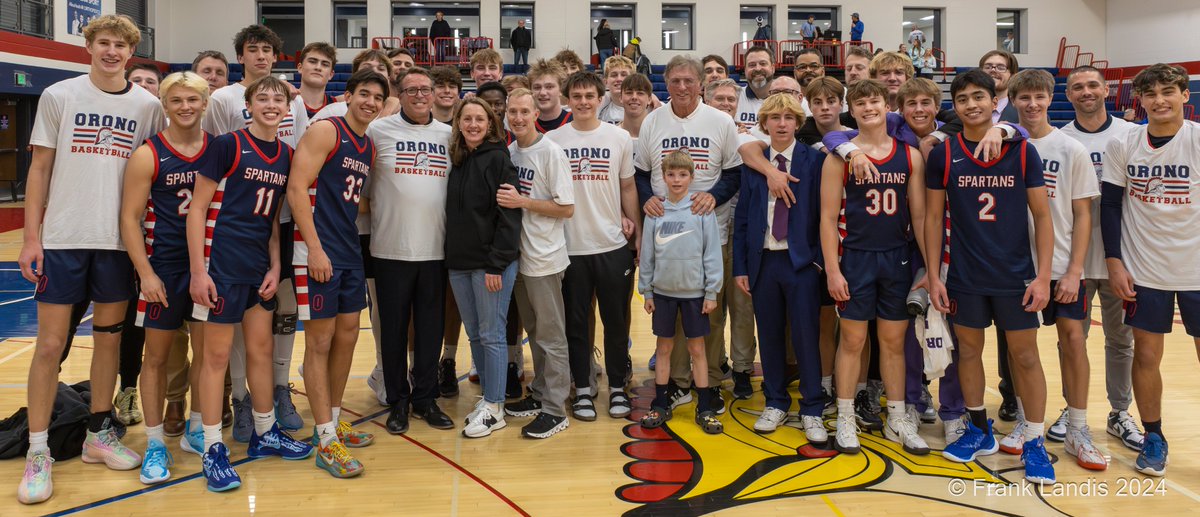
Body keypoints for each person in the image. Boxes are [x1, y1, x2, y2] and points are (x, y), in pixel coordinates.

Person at [16, 14, 164, 505]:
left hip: (119, 242)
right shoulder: (60, 96)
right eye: (104, 42)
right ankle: (39, 452)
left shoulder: (148, 106)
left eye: (121, 45)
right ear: (89, 46)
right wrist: (30, 238)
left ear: (130, 52)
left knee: (108, 341)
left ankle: (99, 435)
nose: (112, 51)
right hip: (63, 238)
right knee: (49, 345)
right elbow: (39, 169)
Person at [926, 70, 1056, 485]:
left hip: (1016, 275)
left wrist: (1043, 277)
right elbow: (931, 218)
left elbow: (1042, 216)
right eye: (961, 99)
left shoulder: (1021, 151)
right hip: (964, 274)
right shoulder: (944, 154)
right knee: (968, 352)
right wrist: (934, 275)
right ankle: (979, 430)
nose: (970, 105)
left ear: (993, 100)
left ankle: (1034, 440)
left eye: (978, 97)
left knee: (1025, 357)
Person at [188, 76, 314, 493]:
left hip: (258, 267)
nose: (272, 105)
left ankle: (265, 432)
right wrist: (198, 271)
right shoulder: (227, 145)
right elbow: (198, 210)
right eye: (263, 98)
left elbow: (275, 220)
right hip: (220, 266)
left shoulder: (287, 154)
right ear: (249, 105)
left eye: (279, 100)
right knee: (216, 357)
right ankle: (212, 448)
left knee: (260, 351)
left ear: (287, 109)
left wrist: (275, 267)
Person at [201, 24, 308, 444]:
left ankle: (276, 398)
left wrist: (278, 256)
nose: (261, 55)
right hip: (225, 238)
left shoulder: (290, 120)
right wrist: (199, 265)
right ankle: (238, 401)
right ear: (241, 56)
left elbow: (290, 179)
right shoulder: (225, 107)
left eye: (268, 49)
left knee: (275, 318)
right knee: (225, 341)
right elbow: (206, 189)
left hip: (271, 230)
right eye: (253, 49)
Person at [997, 69, 1106, 471]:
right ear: (1013, 100)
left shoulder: (1070, 148)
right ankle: (1029, 423)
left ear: (1049, 98)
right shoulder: (1005, 147)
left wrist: (1076, 269)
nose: (1031, 104)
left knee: (1073, 340)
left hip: (1061, 266)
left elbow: (1083, 214)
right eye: (1023, 97)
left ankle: (1078, 426)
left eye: (1038, 97)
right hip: (1016, 266)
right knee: (1019, 350)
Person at [288, 71, 388, 478]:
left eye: (377, 97)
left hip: (347, 250)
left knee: (347, 335)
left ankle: (330, 423)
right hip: (317, 249)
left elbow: (352, 200)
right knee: (321, 341)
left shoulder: (368, 146)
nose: (370, 101)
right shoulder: (326, 131)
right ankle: (325, 439)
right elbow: (297, 188)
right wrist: (313, 248)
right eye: (363, 93)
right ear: (347, 96)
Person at [1101, 63, 1199, 477]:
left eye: (1168, 92)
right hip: (1144, 269)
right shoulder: (1125, 144)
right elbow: (1110, 205)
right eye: (1151, 94)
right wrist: (1115, 262)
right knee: (1146, 355)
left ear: (1184, 97)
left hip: (1196, 270)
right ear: (1139, 101)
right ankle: (1154, 435)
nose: (1159, 100)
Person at [635, 56, 742, 417]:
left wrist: (715, 195)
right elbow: (638, 173)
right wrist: (648, 198)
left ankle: (708, 382)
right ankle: (677, 384)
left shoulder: (720, 121)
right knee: (670, 321)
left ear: (701, 84)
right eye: (675, 80)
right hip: (664, 232)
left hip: (708, 230)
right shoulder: (653, 121)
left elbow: (733, 173)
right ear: (667, 82)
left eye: (688, 80)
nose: (682, 87)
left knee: (705, 314)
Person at [119, 71, 211, 485]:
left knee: (208, 356)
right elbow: (129, 218)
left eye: (193, 100)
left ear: (205, 104)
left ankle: (195, 427)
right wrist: (145, 273)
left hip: (209, 268)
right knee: (154, 358)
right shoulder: (148, 154)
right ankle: (155, 442)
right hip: (164, 268)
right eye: (177, 101)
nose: (185, 107)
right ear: (165, 105)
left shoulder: (220, 149)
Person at [1058, 65, 1143, 452]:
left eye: (1093, 85)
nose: (1086, 92)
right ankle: (1071, 408)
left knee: (1121, 339)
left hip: (1120, 257)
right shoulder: (1061, 139)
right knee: (1071, 341)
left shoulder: (1131, 135)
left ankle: (1119, 412)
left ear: (1106, 90)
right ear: (1069, 94)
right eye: (1078, 87)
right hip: (1072, 257)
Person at [366, 67, 456, 434]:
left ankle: (425, 398)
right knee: (393, 331)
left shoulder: (449, 135)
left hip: (435, 249)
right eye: (411, 90)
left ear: (435, 94)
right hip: (390, 248)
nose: (420, 95)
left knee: (431, 330)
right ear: (399, 95)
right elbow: (364, 188)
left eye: (426, 89)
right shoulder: (379, 130)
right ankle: (397, 401)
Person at [732, 93, 827, 440]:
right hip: (764, 261)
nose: (782, 123)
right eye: (775, 118)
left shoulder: (813, 162)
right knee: (769, 335)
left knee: (805, 337)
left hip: (800, 263)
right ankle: (775, 401)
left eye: (789, 117)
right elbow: (743, 219)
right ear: (765, 124)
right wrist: (740, 267)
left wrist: (817, 261)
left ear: (798, 123)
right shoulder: (755, 165)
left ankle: (812, 407)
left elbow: (822, 214)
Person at [546, 72, 639, 419]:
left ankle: (617, 387)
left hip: (612, 244)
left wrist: (637, 233)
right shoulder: (553, 139)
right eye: (577, 96)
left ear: (601, 98)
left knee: (616, 321)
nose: (583, 101)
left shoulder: (619, 137)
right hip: (569, 247)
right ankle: (582, 388)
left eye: (589, 95)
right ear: (567, 100)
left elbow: (627, 187)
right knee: (576, 322)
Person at [499, 88, 576, 439]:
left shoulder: (551, 152)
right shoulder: (511, 152)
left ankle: (555, 409)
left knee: (552, 336)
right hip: (519, 259)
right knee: (535, 334)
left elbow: (566, 208)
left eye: (523, 112)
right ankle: (541, 394)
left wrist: (523, 203)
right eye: (512, 112)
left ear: (534, 114)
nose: (517, 118)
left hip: (544, 259)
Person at [445, 97, 523, 438]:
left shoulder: (498, 160)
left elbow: (509, 218)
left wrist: (496, 264)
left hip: (491, 265)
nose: (473, 124)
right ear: (459, 124)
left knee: (492, 334)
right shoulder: (460, 159)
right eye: (467, 119)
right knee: (475, 333)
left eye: (480, 119)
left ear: (490, 125)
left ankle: (495, 407)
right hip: (460, 263)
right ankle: (488, 400)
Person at [638, 150, 724, 434]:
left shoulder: (701, 211)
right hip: (662, 293)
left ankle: (705, 408)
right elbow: (647, 254)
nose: (676, 180)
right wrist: (646, 290)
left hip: (694, 294)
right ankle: (660, 404)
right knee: (663, 348)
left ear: (692, 177)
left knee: (697, 349)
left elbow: (712, 253)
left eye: (683, 174)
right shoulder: (656, 212)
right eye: (671, 174)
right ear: (663, 176)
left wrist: (712, 292)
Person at [296, 42, 337, 127]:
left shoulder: (338, 107)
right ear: (300, 68)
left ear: (331, 74)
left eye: (325, 64)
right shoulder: (286, 103)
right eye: (312, 61)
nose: (318, 67)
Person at [737, 45, 775, 131]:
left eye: (763, 63)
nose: (757, 69)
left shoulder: (786, 98)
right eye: (752, 65)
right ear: (745, 70)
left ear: (773, 68)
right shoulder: (734, 97)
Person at [528, 59, 572, 132]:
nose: (542, 93)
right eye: (537, 87)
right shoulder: (524, 125)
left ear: (561, 89)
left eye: (549, 87)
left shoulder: (575, 122)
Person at [981, 50, 1019, 124]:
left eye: (1001, 68)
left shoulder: (1023, 115)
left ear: (1012, 76)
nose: (992, 70)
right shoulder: (963, 113)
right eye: (987, 67)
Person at [598, 55, 636, 124]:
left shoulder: (647, 107)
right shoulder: (599, 108)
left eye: (624, 75)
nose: (619, 79)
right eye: (614, 75)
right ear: (605, 82)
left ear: (633, 80)